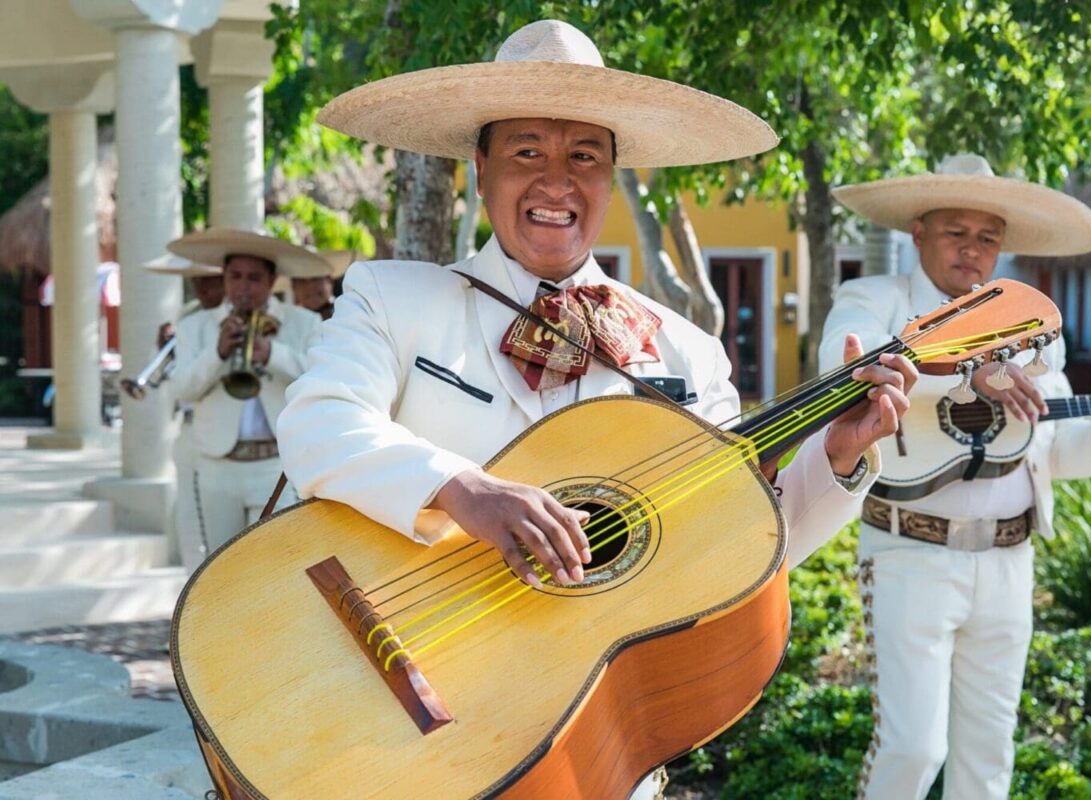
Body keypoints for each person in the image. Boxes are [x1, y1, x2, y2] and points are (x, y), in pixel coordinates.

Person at [277, 20, 917, 800]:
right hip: (409, 710)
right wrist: (461, 488)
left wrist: (839, 457)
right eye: (526, 152)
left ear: (612, 177)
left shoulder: (684, 353)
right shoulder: (393, 298)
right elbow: (317, 425)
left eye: (583, 155)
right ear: (479, 168)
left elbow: (743, 549)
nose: (556, 181)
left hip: (595, 743)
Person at [821, 154, 1091, 800]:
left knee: (988, 758)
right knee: (912, 750)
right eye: (956, 232)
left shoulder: (1033, 327)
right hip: (909, 552)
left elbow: (1054, 446)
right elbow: (852, 366)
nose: (972, 251)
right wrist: (968, 365)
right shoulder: (873, 299)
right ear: (917, 232)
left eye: (987, 237)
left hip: (1010, 560)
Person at [168, 229, 325, 554]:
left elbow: (320, 380)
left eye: (254, 278)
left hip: (276, 464)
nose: (243, 287)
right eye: (235, 276)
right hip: (217, 464)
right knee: (218, 565)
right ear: (224, 278)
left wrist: (272, 354)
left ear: (272, 282)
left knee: (274, 563)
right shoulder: (195, 327)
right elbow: (182, 390)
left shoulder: (304, 323)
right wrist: (217, 353)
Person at [141, 255, 225, 571]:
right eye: (197, 282)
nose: (202, 289)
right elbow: (171, 380)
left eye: (211, 281)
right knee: (189, 518)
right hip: (190, 427)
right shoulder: (186, 319)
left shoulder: (239, 321)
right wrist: (162, 349)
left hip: (222, 429)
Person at [289, 249, 351, 320]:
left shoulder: (349, 313)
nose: (310, 286)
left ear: (329, 280)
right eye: (302, 281)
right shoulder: (285, 322)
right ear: (293, 287)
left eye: (315, 278)